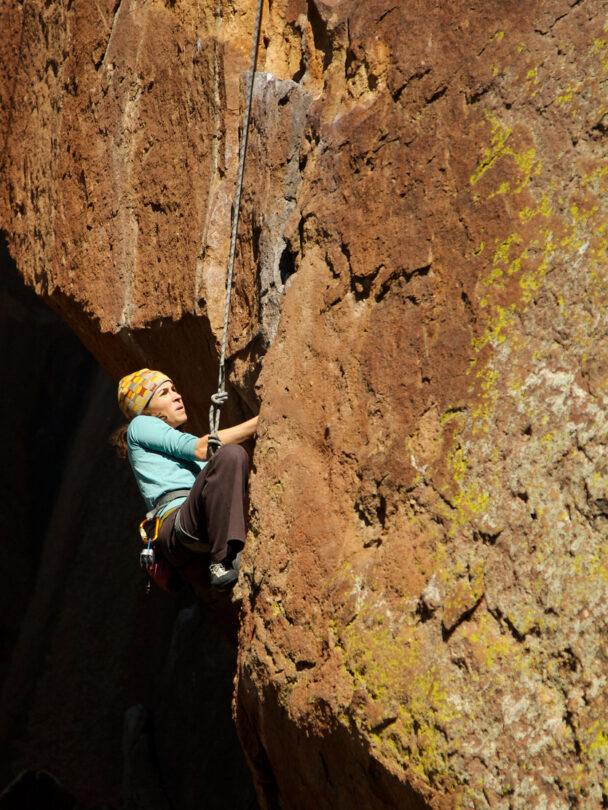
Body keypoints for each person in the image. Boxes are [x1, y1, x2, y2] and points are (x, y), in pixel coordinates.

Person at [114, 368, 258, 591]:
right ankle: (223, 561)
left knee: (229, 458)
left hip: (191, 533)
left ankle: (225, 560)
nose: (176, 395)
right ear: (145, 410)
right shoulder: (140, 425)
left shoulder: (177, 442)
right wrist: (264, 419)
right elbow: (203, 449)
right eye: (164, 393)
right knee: (230, 455)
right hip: (178, 522)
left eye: (174, 389)